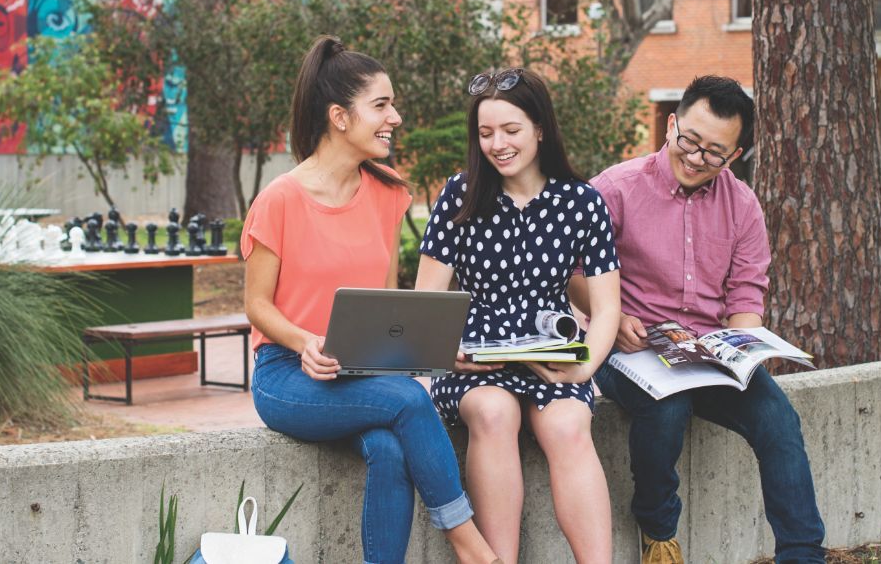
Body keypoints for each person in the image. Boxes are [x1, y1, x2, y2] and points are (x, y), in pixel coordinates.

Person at [242, 35, 500, 564]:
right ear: (339, 116)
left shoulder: (386, 194)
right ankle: (471, 546)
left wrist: (425, 349)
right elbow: (257, 306)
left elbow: (383, 305)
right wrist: (305, 341)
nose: (395, 118)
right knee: (409, 399)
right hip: (288, 375)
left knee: (388, 449)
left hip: (359, 370)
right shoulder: (280, 199)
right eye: (381, 105)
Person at [570, 75, 826, 563]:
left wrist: (746, 349)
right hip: (628, 346)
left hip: (706, 353)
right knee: (667, 409)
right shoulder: (615, 188)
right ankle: (657, 528)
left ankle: (803, 554)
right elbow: (572, 274)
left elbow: (747, 295)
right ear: (671, 125)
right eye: (689, 141)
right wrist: (613, 313)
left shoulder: (744, 206)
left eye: (715, 152)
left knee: (779, 421)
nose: (695, 157)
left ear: (735, 154)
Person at [415, 68, 623, 563]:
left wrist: (585, 367)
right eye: (486, 133)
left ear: (539, 129)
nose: (497, 144)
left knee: (569, 425)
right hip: (475, 357)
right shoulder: (459, 195)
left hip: (552, 349)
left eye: (510, 130)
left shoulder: (581, 201)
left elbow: (608, 305)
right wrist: (450, 352)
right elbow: (425, 302)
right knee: (493, 412)